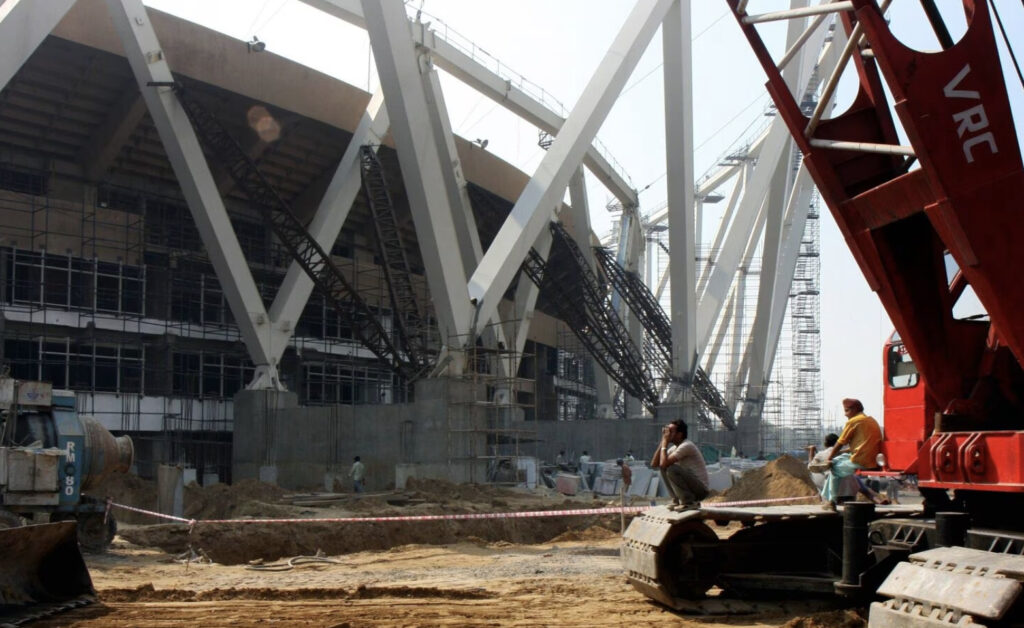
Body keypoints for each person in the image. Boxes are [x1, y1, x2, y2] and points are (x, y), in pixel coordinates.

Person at [821, 398, 883, 510]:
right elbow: (863, 444)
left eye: (847, 411)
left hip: (861, 459)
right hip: (872, 458)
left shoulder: (853, 421)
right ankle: (828, 498)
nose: (845, 414)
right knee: (837, 460)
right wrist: (839, 454)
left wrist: (829, 458)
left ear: (854, 409)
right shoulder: (871, 420)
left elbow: (840, 442)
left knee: (834, 467)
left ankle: (831, 501)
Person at [651, 419, 709, 511]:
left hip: (700, 490)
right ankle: (676, 500)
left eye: (671, 431)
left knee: (672, 469)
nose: (668, 434)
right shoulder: (674, 448)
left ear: (679, 434)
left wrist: (665, 442)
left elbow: (664, 463)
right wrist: (663, 441)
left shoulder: (687, 445)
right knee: (664, 468)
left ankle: (688, 502)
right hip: (692, 487)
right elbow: (654, 464)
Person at [808, 433, 858, 500]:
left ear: (825, 443)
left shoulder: (821, 454)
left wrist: (811, 450)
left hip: (833, 491)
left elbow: (811, 466)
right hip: (850, 489)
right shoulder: (845, 454)